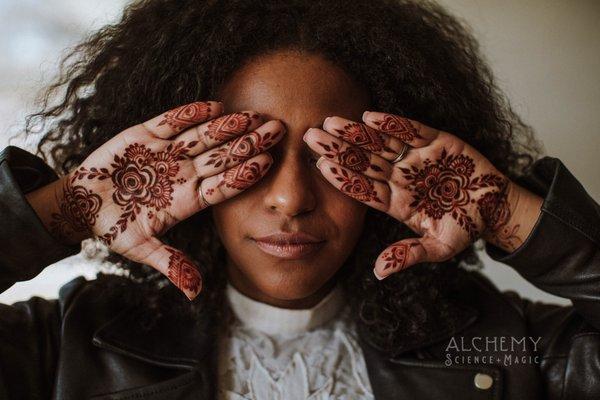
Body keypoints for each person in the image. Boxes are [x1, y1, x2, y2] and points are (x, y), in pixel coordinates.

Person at [1, 0, 599, 399]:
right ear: (182, 166)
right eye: (245, 157)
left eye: (329, 159)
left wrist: (504, 211)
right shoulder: (65, 345)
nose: (290, 198)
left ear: (396, 168)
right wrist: (64, 210)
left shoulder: (506, 347)